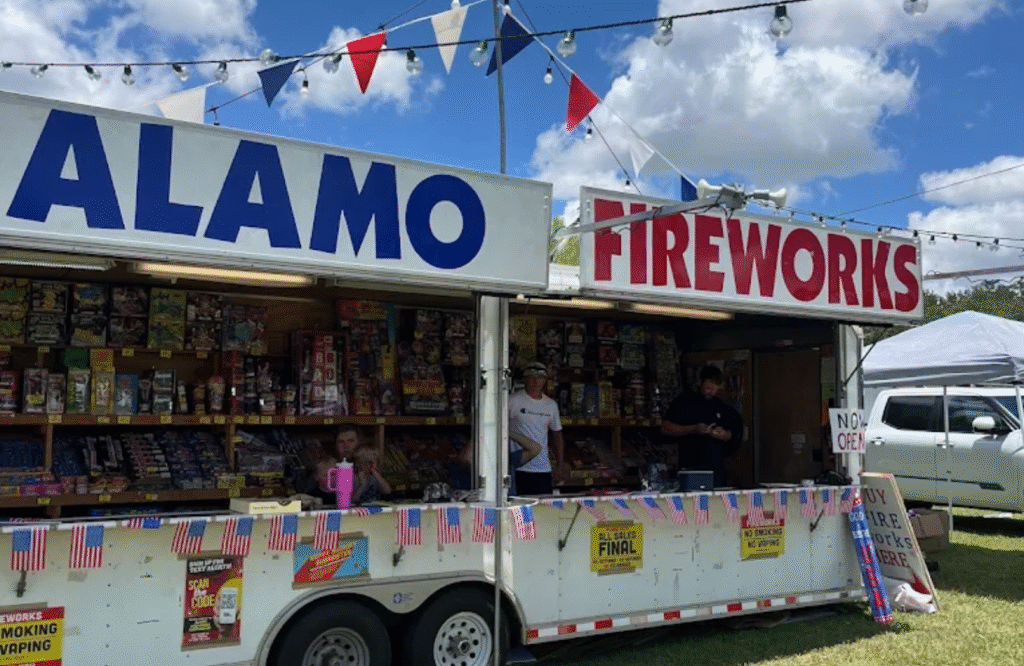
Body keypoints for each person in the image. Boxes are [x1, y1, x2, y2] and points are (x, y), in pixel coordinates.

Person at [661, 364, 743, 488]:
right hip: (691, 466)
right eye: (709, 386)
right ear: (699, 382)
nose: (712, 390)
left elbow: (733, 434)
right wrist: (693, 429)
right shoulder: (684, 402)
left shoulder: (720, 405)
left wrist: (724, 435)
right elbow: (666, 428)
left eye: (715, 387)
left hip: (716, 468)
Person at [508, 361, 566, 495]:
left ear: (545, 380)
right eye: (531, 377)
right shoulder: (512, 400)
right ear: (525, 379)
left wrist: (560, 465)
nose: (536, 382)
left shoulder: (551, 405)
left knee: (543, 506)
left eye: (540, 378)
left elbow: (557, 435)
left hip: (543, 469)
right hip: (519, 467)